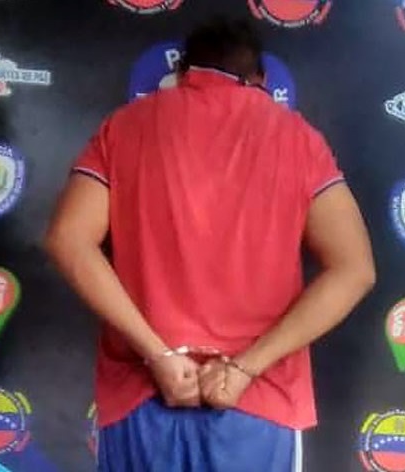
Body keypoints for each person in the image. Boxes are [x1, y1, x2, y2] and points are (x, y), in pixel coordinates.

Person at [44, 17, 375, 472]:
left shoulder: (124, 127)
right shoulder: (299, 138)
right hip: (256, 399)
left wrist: (158, 354)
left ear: (182, 71)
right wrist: (244, 368)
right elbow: (355, 269)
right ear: (260, 79)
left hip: (145, 393)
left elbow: (68, 239)